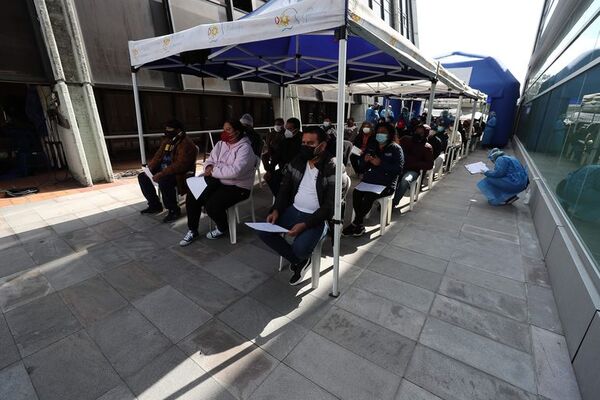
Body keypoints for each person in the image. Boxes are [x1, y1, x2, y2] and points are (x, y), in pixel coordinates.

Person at [258, 127, 336, 285]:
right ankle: (300, 262)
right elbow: (284, 190)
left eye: (310, 143)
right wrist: (276, 210)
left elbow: (330, 206)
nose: (305, 146)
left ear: (322, 145)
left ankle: (300, 257)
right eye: (303, 142)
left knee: (300, 248)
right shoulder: (298, 161)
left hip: (316, 217)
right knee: (264, 231)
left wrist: (306, 225)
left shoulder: (331, 166)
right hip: (294, 211)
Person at [179, 120, 256, 245]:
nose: (224, 132)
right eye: (223, 129)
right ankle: (192, 230)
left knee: (212, 205)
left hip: (238, 186)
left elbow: (235, 171)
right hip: (218, 181)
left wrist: (213, 170)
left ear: (237, 132)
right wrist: (208, 166)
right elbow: (210, 160)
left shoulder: (245, 148)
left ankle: (222, 227)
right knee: (194, 193)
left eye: (228, 129)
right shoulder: (221, 144)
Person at [343, 123, 404, 237]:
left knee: (368, 197)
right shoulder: (372, 146)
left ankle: (356, 222)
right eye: (379, 131)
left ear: (390, 134)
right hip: (370, 181)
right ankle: (359, 223)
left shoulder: (395, 149)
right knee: (356, 193)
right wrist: (365, 161)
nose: (380, 134)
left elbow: (399, 169)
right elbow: (361, 167)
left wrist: (381, 163)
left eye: (384, 132)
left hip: (386, 184)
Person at [138, 119, 197, 223]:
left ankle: (173, 210)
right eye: (166, 129)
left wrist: (161, 173)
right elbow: (158, 156)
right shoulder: (168, 140)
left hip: (179, 173)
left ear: (179, 130)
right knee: (143, 176)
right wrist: (150, 168)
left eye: (170, 129)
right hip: (165, 169)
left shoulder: (186, 143)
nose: (167, 131)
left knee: (164, 181)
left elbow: (180, 165)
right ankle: (154, 205)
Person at [393, 123, 434, 207]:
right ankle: (385, 197)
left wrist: (414, 163)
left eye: (421, 133)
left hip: (413, 170)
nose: (417, 134)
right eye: (416, 131)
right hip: (400, 166)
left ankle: (393, 202)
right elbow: (396, 149)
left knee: (405, 180)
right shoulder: (405, 139)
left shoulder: (427, 147)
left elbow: (429, 164)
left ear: (425, 134)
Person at [264, 117, 302, 196]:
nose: (287, 131)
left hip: (297, 170)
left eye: (290, 128)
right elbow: (277, 155)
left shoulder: (302, 140)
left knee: (287, 183)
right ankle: (280, 198)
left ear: (297, 129)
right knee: (270, 178)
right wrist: (270, 170)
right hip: (284, 169)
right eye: (286, 128)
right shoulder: (284, 139)